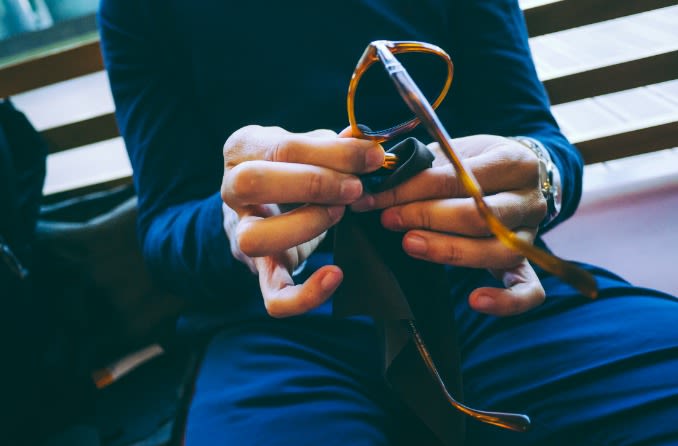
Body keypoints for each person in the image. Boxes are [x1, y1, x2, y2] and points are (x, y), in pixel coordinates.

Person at [97, 1, 678, 445]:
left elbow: (537, 139)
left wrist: (540, 178)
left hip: (484, 289)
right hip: (278, 326)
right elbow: (165, 231)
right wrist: (233, 223)